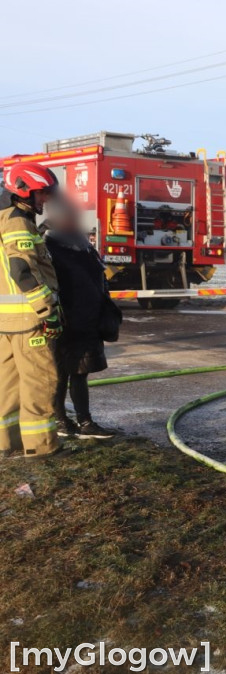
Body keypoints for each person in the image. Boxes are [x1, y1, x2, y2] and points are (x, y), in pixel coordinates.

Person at [0, 162, 63, 458]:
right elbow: (22, 268)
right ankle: (41, 448)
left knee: (8, 387)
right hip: (28, 319)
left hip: (7, 322)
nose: (45, 199)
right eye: (42, 193)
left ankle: (6, 444)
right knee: (40, 382)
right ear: (23, 191)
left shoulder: (5, 218)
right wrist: (47, 310)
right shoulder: (17, 222)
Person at [44, 196, 118, 439]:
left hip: (88, 322)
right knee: (59, 373)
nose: (74, 220)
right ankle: (60, 420)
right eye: (69, 216)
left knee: (80, 373)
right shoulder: (48, 246)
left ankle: (85, 422)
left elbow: (98, 278)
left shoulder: (84, 245)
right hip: (64, 322)